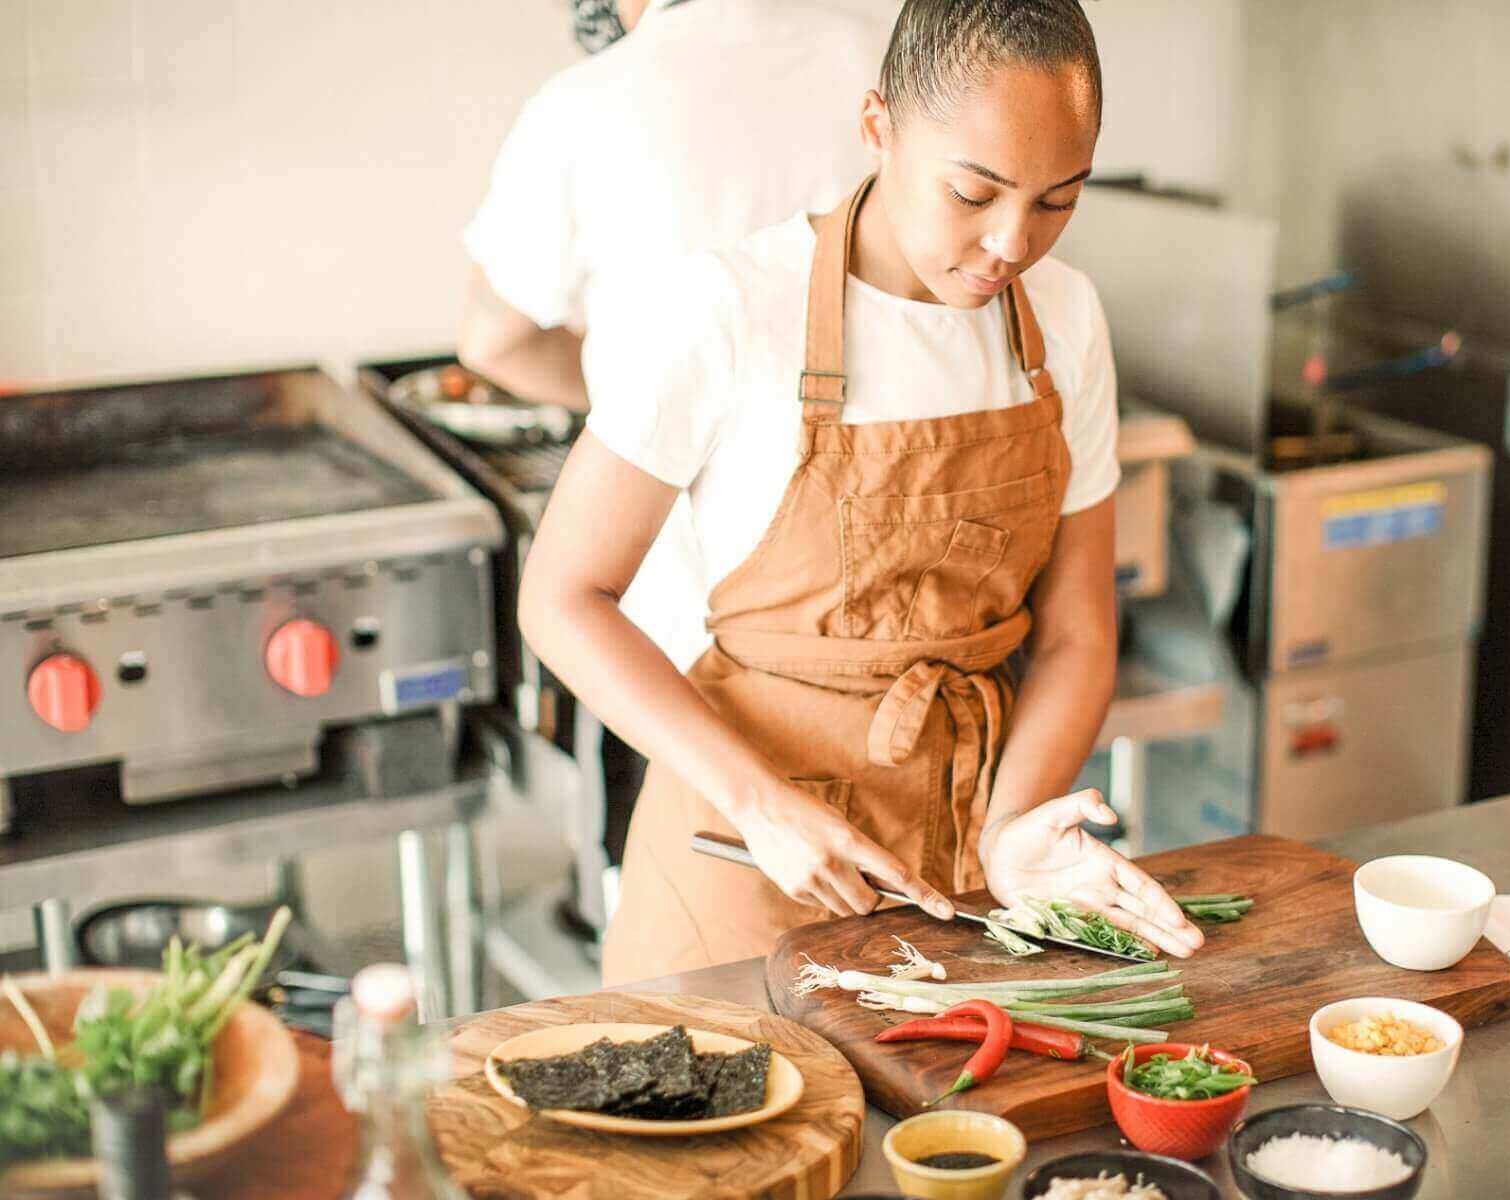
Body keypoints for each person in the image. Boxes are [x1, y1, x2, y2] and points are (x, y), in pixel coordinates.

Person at [519, 0, 1204, 984]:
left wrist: (1012, 829)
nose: (1012, 242)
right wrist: (758, 804)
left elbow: (1077, 634)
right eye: (975, 192)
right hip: (746, 860)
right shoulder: (732, 308)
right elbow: (561, 597)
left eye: (1058, 201)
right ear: (878, 125)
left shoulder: (1064, 320)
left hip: (963, 862)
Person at [458, 0, 894, 901]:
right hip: (891, 633)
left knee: (692, 977)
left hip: (681, 668)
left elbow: (490, 342)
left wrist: (652, 412)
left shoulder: (586, 103)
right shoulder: (888, 50)